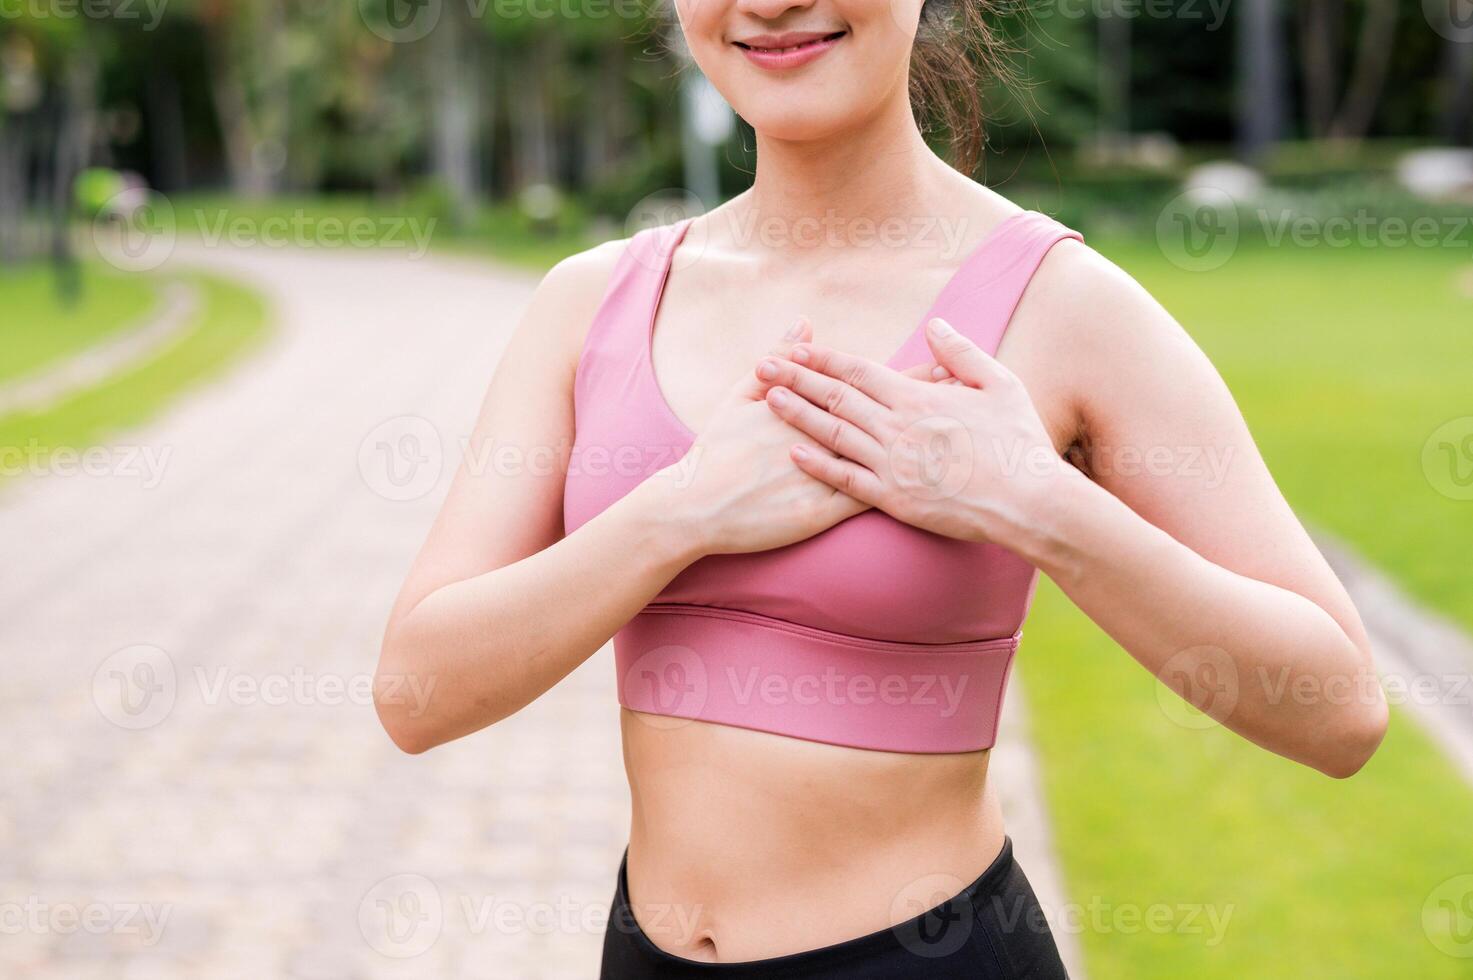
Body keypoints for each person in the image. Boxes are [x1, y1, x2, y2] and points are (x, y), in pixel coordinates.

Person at [373, 1, 1389, 974]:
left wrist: (1042, 504)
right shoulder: (590, 301)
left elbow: (1339, 708)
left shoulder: (1062, 305)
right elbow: (416, 694)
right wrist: (681, 512)